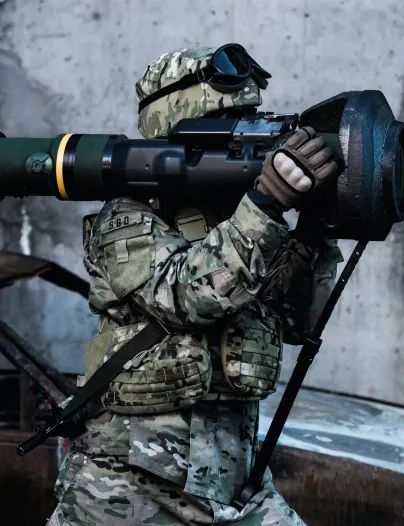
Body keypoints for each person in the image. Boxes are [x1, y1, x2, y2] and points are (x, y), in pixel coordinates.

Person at [47, 44, 343, 525]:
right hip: (130, 486)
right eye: (231, 126)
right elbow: (185, 295)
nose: (249, 136)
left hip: (234, 484)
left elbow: (295, 322)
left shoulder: (246, 218)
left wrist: (315, 230)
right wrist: (266, 204)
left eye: (252, 122)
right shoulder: (127, 216)